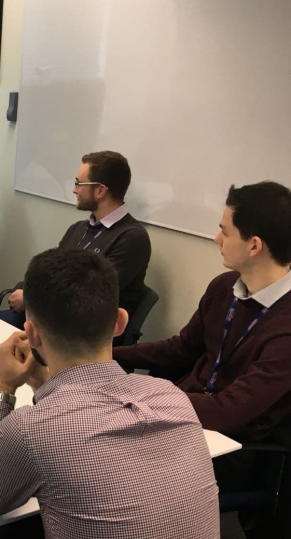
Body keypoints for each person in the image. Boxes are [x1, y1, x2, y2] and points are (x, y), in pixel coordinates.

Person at [0, 248, 218, 538]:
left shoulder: (29, 430)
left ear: (31, 334)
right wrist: (42, 383)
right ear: (120, 322)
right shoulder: (172, 397)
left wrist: (4, 388)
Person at [114, 181, 291, 536]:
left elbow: (230, 410)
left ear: (254, 245)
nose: (216, 238)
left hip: (231, 446)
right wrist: (104, 356)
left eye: (225, 231)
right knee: (83, 448)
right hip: (184, 416)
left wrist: (142, 399)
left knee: (110, 476)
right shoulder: (225, 286)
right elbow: (180, 349)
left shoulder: (286, 329)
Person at [0, 151, 151, 331]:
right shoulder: (78, 229)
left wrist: (30, 298)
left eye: (79, 183)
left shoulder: (132, 238)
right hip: (52, 316)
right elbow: (49, 271)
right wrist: (24, 288)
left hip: (84, 333)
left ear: (100, 190)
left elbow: (89, 294)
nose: (74, 189)